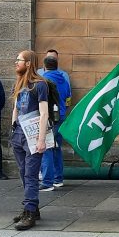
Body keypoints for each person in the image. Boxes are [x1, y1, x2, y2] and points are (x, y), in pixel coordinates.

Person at [11, 50, 50, 231]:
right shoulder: (19, 83)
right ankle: (32, 207)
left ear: (28, 63)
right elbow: (16, 107)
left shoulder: (40, 85)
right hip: (19, 133)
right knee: (22, 171)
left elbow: (44, 114)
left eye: (18, 60)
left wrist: (41, 139)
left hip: (33, 135)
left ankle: (29, 211)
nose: (15, 62)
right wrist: (13, 126)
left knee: (31, 174)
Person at [41, 55, 71, 191]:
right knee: (56, 147)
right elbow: (68, 98)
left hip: (49, 117)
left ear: (44, 66)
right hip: (61, 116)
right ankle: (58, 179)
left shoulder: (44, 80)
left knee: (46, 147)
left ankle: (47, 181)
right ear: (56, 65)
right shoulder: (64, 80)